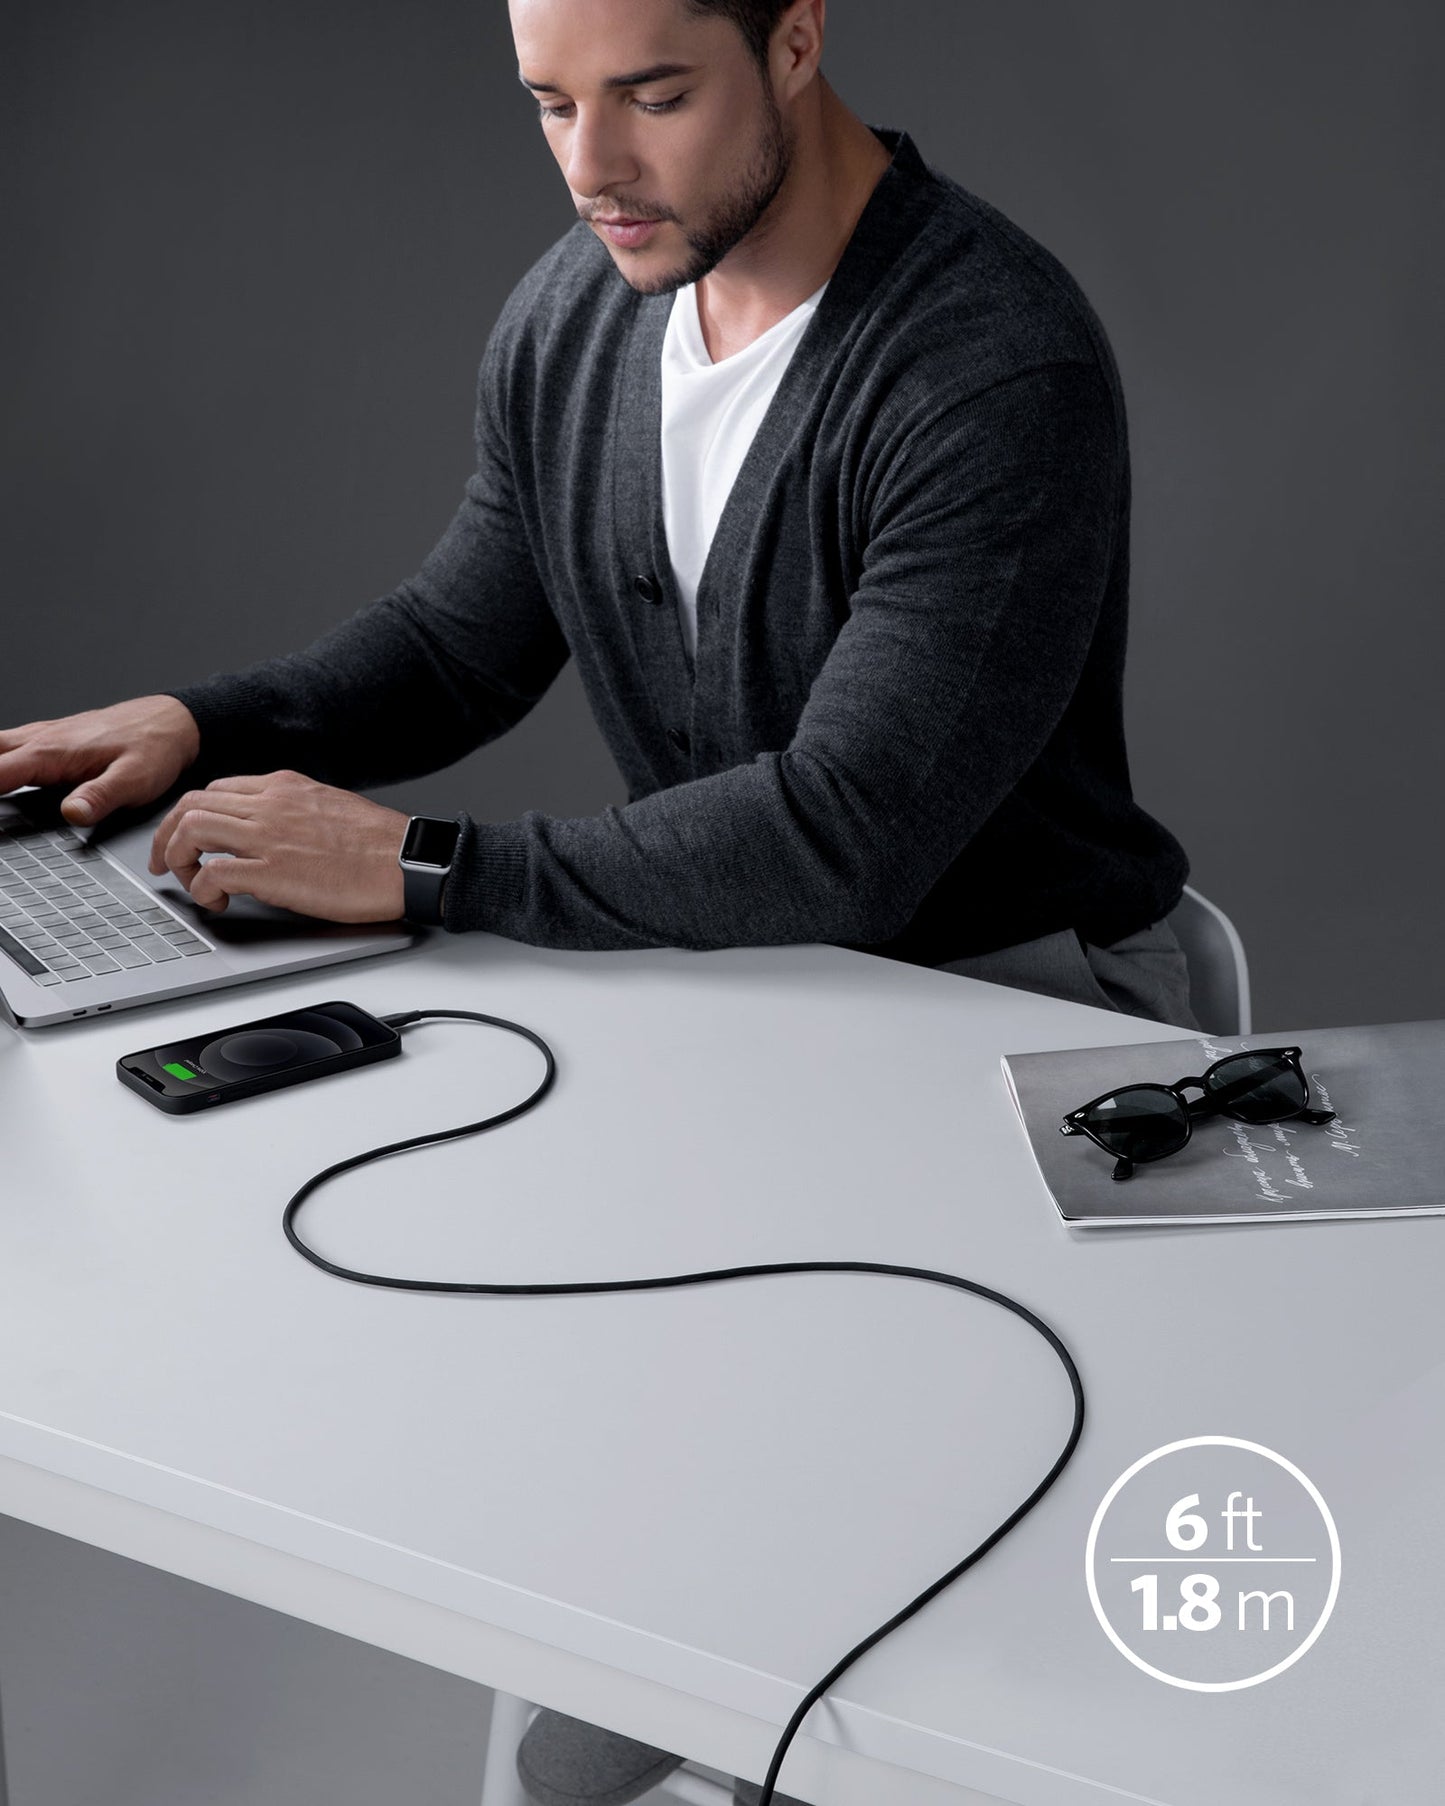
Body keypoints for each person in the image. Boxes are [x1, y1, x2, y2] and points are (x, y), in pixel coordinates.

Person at [0, 2, 1197, 1792]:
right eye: (549, 103)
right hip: (745, 1003)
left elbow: (842, 833)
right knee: (590, 1651)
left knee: (856, 1651)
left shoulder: (987, 363)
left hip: (1018, 1019)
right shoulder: (582, 311)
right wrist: (199, 723)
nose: (593, 167)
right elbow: (457, 639)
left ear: (794, 41)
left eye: (650, 95)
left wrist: (422, 869)